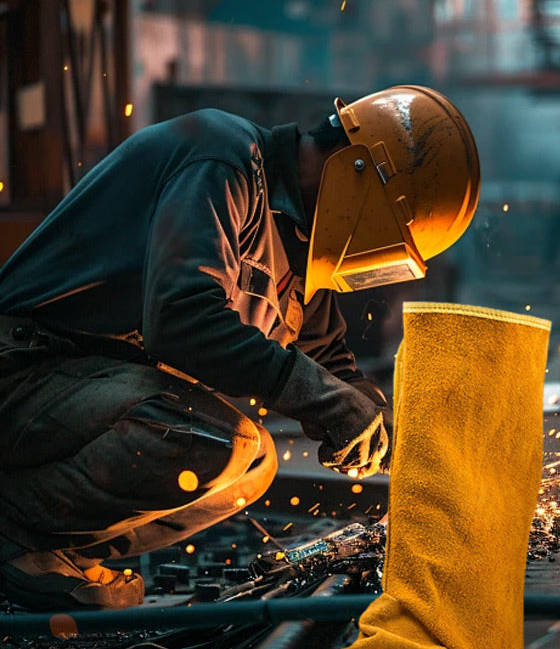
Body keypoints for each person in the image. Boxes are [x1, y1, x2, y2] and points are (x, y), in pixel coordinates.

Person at [0, 85, 480, 610]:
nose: (366, 261)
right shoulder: (223, 158)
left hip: (81, 395)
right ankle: (13, 530)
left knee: (252, 466)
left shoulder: (298, 247)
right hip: (24, 372)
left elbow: (328, 362)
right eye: (378, 239)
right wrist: (324, 400)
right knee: (204, 439)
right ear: (360, 173)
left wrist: (377, 421)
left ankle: (46, 549)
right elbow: (182, 318)